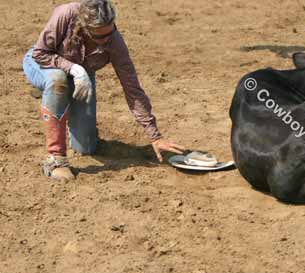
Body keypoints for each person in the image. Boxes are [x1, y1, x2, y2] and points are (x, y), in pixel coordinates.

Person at [22, 0, 185, 181]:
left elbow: (133, 90)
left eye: (109, 33)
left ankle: (58, 98)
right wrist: (74, 68)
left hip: (82, 77)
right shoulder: (65, 14)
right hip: (44, 64)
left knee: (86, 148)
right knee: (57, 80)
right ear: (84, 27)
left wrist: (155, 136)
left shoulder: (115, 43)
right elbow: (40, 53)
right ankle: (56, 159)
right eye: (98, 37)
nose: (105, 41)